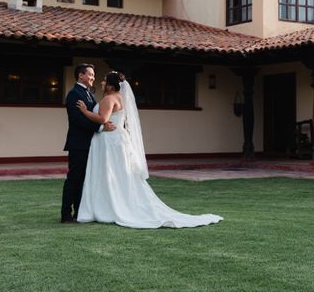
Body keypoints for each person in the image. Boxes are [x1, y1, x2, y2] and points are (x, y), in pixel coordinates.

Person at [75, 71, 223, 229]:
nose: (102, 83)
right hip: (118, 139)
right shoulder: (121, 98)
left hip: (109, 141)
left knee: (108, 172)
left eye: (104, 81)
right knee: (118, 174)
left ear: (111, 85)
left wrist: (85, 112)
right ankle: (116, 204)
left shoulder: (109, 99)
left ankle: (108, 208)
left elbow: (103, 119)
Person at [60, 63, 115, 223]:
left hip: (90, 144)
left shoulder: (89, 94)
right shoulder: (73, 94)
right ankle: (65, 213)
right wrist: (100, 127)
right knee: (74, 178)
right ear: (81, 76)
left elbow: (93, 114)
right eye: (90, 74)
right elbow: (78, 120)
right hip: (78, 143)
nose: (93, 78)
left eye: (93, 75)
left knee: (84, 179)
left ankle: (79, 212)